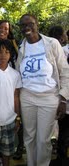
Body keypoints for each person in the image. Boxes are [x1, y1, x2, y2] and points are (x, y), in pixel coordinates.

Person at [16, 14, 69, 166]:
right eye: (23, 25)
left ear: (37, 24)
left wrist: (63, 98)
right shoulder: (21, 47)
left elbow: (65, 71)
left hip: (49, 97)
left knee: (44, 139)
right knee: (29, 137)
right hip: (27, 96)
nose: (27, 27)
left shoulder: (52, 44)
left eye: (30, 23)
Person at [0, 39, 22, 166]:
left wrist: (18, 117)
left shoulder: (15, 74)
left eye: (7, 52)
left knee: (7, 150)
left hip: (10, 119)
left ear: (11, 54)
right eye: (0, 52)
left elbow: (16, 96)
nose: (3, 55)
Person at [48, 25, 69, 166]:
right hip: (64, 98)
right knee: (64, 132)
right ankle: (61, 159)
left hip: (62, 97)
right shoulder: (63, 51)